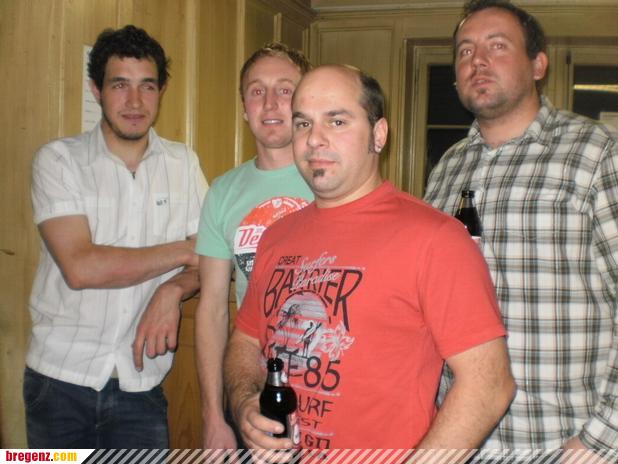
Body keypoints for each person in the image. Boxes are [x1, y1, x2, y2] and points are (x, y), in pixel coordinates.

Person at [224, 64, 515, 452]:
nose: (314, 139)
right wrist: (244, 402)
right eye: (303, 123)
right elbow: (245, 340)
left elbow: (490, 385)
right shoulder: (276, 237)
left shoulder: (436, 238)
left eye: (337, 121)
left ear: (378, 135)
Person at [424, 0, 618, 456]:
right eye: (465, 50)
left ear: (537, 65)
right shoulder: (447, 168)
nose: (478, 61)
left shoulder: (598, 153)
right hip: (461, 441)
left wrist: (603, 438)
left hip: (561, 442)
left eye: (497, 46)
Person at [25, 25, 207, 448]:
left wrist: (173, 289)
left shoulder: (183, 164)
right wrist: (184, 251)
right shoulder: (59, 160)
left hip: (141, 384)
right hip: (58, 383)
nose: (134, 102)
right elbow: (81, 268)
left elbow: (211, 260)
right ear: (97, 90)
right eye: (120, 85)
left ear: (161, 91)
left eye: (147, 86)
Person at [194, 43, 313, 449]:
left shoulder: (334, 178)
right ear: (244, 108)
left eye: (285, 89)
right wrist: (213, 416)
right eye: (257, 91)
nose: (271, 102)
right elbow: (212, 308)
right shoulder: (223, 192)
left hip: (331, 388)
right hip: (254, 393)